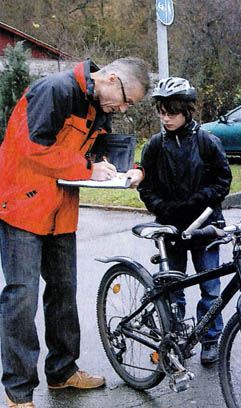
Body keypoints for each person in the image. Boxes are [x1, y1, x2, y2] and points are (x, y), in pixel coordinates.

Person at [0, 57, 150, 407]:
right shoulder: (56, 89)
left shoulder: (99, 104)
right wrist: (87, 168)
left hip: (61, 210)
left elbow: (97, 150)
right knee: (21, 298)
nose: (124, 108)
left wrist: (122, 169)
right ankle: (19, 393)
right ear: (112, 79)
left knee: (64, 292)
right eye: (126, 100)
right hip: (21, 205)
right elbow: (32, 147)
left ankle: (63, 372)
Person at [137, 77, 232, 364]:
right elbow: (145, 185)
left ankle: (210, 339)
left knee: (210, 288)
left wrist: (198, 200)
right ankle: (176, 336)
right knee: (172, 287)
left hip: (203, 224)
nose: (166, 118)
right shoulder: (154, 146)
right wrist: (160, 205)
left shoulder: (206, 142)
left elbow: (223, 181)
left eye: (172, 112)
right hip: (170, 227)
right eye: (162, 112)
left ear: (187, 111)